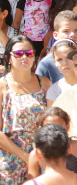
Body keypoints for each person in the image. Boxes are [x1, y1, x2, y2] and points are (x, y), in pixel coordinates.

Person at [0, 36, 50, 184]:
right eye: (18, 54)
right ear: (8, 58)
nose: (24, 57)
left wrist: (37, 159)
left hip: (43, 158)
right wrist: (26, 157)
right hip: (9, 161)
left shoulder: (45, 83)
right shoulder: (2, 86)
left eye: (28, 53)